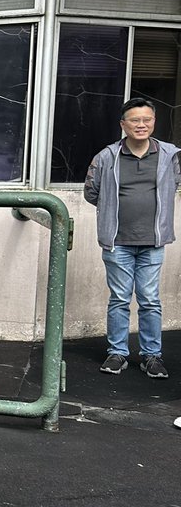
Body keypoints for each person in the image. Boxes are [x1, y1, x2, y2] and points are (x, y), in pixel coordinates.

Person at [83, 98, 180, 379]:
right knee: (120, 298)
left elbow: (175, 184)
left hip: (153, 241)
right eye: (135, 120)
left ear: (153, 122)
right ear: (123, 125)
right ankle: (118, 354)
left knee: (150, 299)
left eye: (147, 119)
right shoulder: (106, 157)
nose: (141, 125)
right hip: (118, 241)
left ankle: (152, 356)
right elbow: (92, 192)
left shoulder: (168, 155)